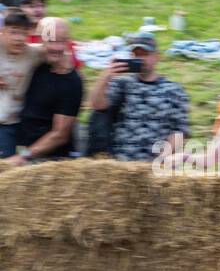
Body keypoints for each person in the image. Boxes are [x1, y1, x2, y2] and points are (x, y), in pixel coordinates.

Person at [89, 31, 189, 161]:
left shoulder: (174, 90)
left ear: (157, 57)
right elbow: (97, 105)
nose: (141, 59)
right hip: (121, 163)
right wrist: (105, 77)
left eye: (145, 54)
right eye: (137, 54)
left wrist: (162, 158)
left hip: (154, 162)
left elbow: (180, 131)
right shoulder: (122, 83)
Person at [6, 16, 80, 164]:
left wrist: (23, 156)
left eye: (61, 41)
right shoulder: (36, 63)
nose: (56, 47)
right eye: (51, 40)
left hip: (49, 162)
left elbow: (59, 135)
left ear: (68, 42)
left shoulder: (71, 82)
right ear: (40, 40)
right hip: (19, 146)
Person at [0, 9, 44, 157]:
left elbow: (58, 52)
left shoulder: (33, 54)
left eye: (23, 33)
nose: (19, 38)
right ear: (3, 31)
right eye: (13, 32)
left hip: (12, 122)